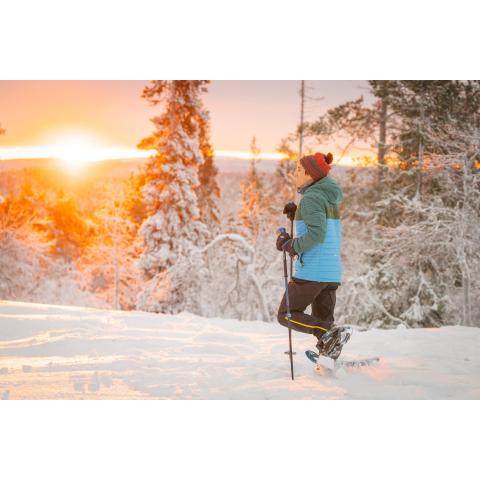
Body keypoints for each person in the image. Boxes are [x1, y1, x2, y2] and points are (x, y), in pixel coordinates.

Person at [276, 152, 343, 354]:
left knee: (286, 314)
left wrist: (290, 245)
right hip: (330, 272)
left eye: (299, 170)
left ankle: (326, 332)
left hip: (313, 270)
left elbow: (316, 234)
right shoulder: (326, 198)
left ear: (310, 174)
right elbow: (320, 224)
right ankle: (329, 359)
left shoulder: (311, 198)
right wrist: (298, 213)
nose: (295, 173)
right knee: (324, 322)